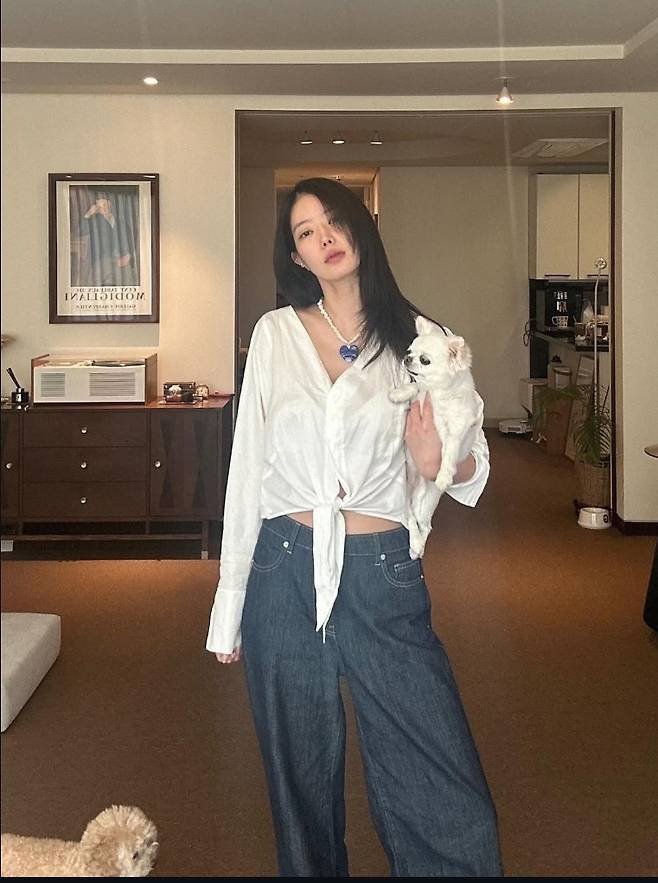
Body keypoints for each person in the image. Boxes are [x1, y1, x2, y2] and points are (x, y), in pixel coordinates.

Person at [206, 178, 503, 877]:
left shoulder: (424, 340)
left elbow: (474, 464)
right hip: (283, 567)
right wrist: (229, 606)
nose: (324, 238)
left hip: (381, 566)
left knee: (436, 771)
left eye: (334, 221)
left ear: (362, 228)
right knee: (299, 779)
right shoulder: (275, 335)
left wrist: (438, 459)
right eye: (306, 232)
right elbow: (247, 469)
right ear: (297, 256)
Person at [74, 192, 138, 286]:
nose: (102, 209)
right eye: (99, 207)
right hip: (101, 263)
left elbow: (131, 244)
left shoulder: (122, 224)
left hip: (122, 263)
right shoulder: (95, 224)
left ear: (109, 204)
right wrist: (88, 214)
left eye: (104, 205)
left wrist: (128, 257)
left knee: (128, 283)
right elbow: (78, 232)